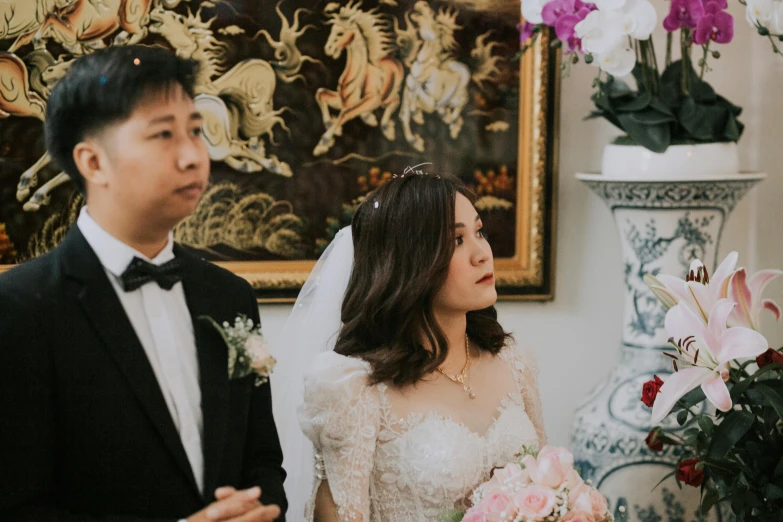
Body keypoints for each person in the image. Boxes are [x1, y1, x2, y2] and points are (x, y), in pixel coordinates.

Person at [0, 45, 287, 522]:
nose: (194, 155)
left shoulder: (229, 295)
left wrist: (262, 510)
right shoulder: (22, 308)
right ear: (93, 162)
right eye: (163, 135)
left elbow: (263, 460)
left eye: (196, 131)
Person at [281, 173, 547, 522]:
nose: (482, 254)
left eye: (479, 232)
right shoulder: (355, 392)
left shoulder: (515, 365)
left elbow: (548, 489)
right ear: (409, 261)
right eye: (456, 240)